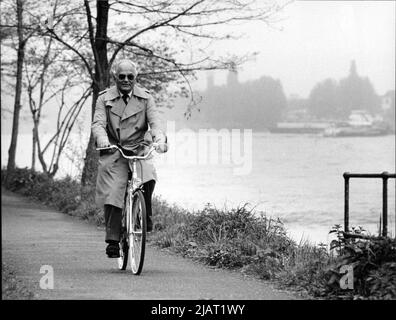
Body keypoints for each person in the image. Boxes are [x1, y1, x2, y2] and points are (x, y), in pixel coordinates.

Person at [92, 59, 168, 258]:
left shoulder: (145, 98)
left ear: (136, 78)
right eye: (122, 76)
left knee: (148, 178)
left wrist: (159, 139)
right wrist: (101, 138)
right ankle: (113, 239)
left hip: (138, 148)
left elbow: (155, 122)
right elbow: (98, 123)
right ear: (115, 77)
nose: (126, 80)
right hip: (114, 149)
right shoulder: (104, 98)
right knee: (114, 190)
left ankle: (142, 219)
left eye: (130, 77)